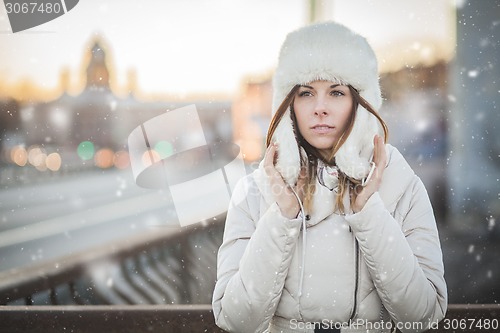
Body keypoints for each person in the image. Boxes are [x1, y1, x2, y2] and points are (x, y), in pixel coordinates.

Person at [212, 21, 447, 333]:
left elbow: (423, 316)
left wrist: (368, 213)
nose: (320, 108)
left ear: (359, 103)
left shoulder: (401, 185)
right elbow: (235, 320)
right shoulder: (254, 192)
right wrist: (282, 216)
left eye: (336, 92)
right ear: (288, 105)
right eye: (306, 93)